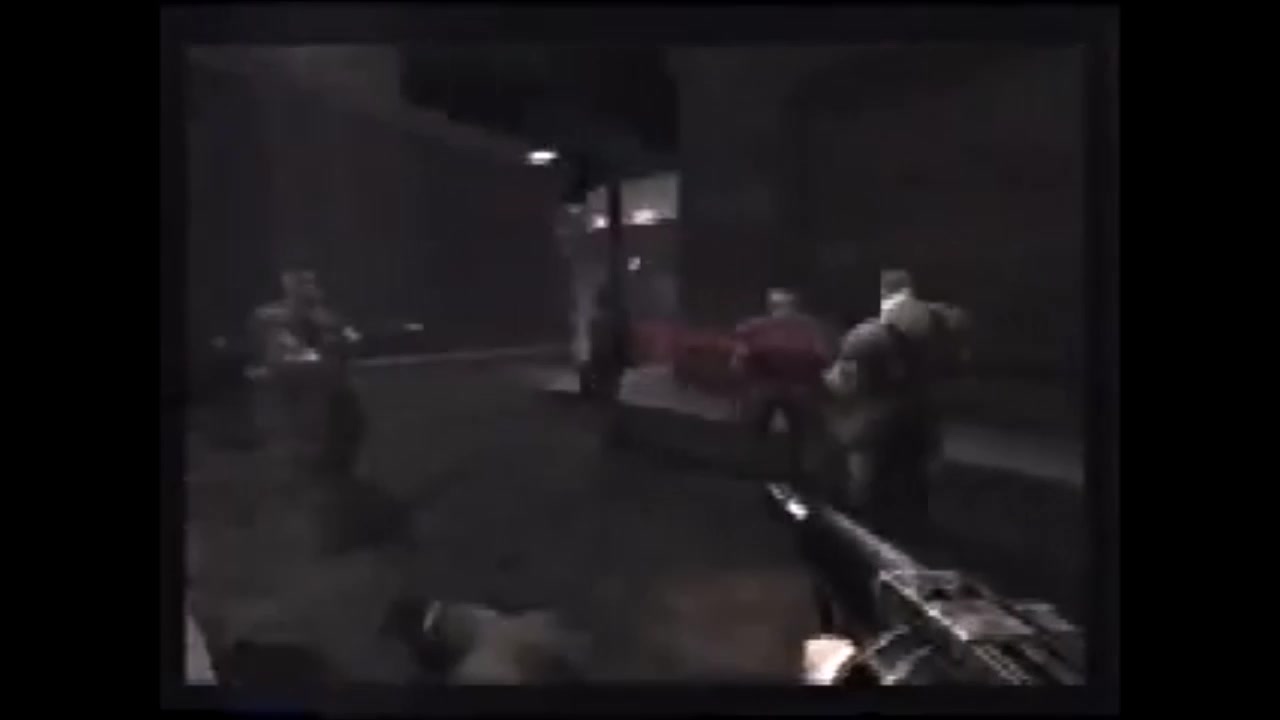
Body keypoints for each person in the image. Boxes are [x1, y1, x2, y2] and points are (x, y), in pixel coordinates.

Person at [822, 269, 971, 534]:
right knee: (916, 472)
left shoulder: (865, 335)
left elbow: (844, 384)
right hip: (923, 413)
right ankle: (917, 524)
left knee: (863, 468)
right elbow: (959, 350)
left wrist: (830, 387)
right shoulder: (938, 329)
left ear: (882, 293)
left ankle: (864, 526)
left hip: (877, 416)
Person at [250, 268, 365, 478]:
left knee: (317, 423)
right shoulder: (270, 316)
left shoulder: (328, 318)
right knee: (294, 425)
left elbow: (350, 340)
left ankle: (318, 463)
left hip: (318, 382)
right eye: (300, 282)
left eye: (308, 282)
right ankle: (304, 465)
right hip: (290, 379)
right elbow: (268, 345)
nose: (305, 287)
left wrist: (338, 343)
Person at [731, 288, 832, 482]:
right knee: (796, 432)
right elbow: (823, 357)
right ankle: (796, 471)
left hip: (771, 387)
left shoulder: (755, 327)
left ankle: (753, 467)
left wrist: (741, 379)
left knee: (761, 430)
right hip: (789, 388)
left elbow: (739, 359)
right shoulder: (809, 328)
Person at [583, 283, 633, 447]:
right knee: (611, 392)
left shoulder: (594, 320)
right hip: (610, 360)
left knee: (602, 394)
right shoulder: (613, 320)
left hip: (598, 360)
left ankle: (605, 430)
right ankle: (611, 431)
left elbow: (594, 343)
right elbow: (619, 341)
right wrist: (625, 359)